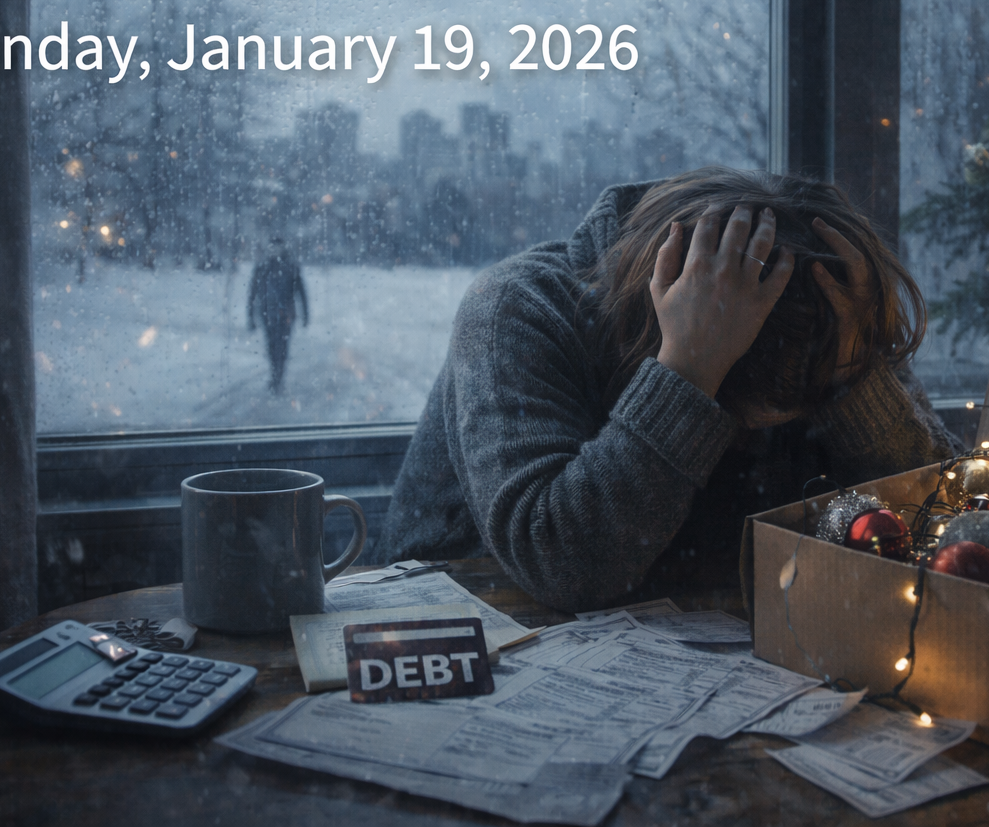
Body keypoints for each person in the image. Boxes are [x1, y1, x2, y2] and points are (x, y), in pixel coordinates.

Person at [375, 167, 959, 611]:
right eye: (749, 408)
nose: (759, 435)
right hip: (465, 633)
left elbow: (951, 519)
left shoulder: (820, 303)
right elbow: (557, 561)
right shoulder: (517, 307)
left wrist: (857, 376)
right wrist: (689, 368)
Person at [247, 238, 309, 394]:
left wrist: (305, 314)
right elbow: (252, 293)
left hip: (286, 315)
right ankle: (275, 375)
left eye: (278, 248)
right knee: (271, 346)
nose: (275, 251)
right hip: (267, 314)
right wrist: (250, 316)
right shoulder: (262, 268)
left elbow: (301, 292)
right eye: (272, 248)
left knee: (282, 347)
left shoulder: (290, 267)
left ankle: (278, 378)